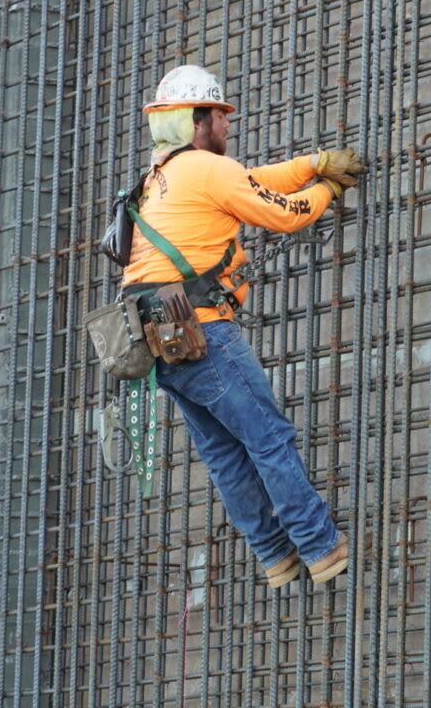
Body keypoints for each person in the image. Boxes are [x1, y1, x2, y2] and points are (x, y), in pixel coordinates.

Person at [122, 64, 366, 587]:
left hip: (158, 340)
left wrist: (312, 163)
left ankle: (274, 556)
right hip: (204, 329)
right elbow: (284, 212)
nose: (228, 126)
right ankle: (320, 546)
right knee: (268, 437)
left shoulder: (159, 178)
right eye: (221, 117)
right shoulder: (205, 170)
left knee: (224, 453)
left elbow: (253, 184)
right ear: (198, 120)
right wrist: (326, 188)